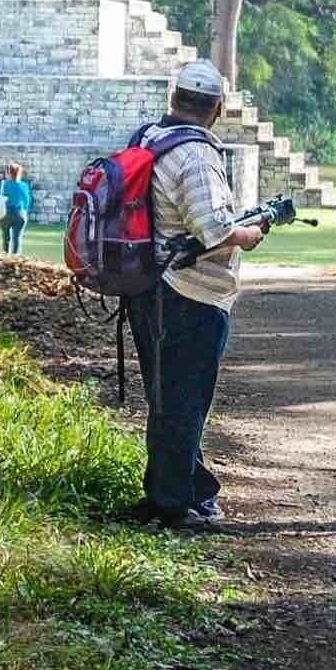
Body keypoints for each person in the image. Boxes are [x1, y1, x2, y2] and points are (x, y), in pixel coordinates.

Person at [127, 59, 264, 529]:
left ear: (173, 98)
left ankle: (187, 488)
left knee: (166, 397)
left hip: (148, 285)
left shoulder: (149, 139)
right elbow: (212, 229)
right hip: (188, 293)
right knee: (184, 400)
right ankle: (171, 503)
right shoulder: (197, 156)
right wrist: (249, 233)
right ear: (219, 108)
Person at [0, 162, 32, 255]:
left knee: (6, 237)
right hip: (20, 213)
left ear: (8, 173)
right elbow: (27, 200)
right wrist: (24, 210)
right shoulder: (24, 185)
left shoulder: (3, 184)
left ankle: (5, 256)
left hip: (6, 213)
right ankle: (15, 257)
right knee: (17, 238)